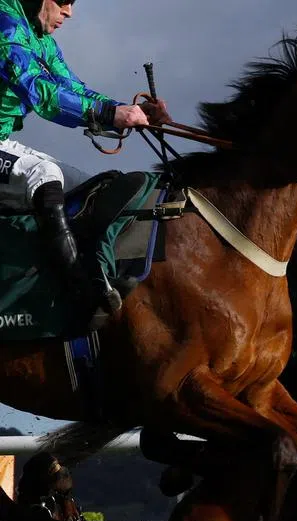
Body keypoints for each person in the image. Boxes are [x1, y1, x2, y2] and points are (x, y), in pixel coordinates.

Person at [0, 0, 170, 326]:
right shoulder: (4, 26)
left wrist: (128, 113)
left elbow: (72, 88)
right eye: (63, 1)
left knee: (91, 185)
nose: (69, 12)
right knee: (43, 174)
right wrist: (111, 115)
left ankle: (93, 270)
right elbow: (42, 93)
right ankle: (77, 292)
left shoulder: (42, 41)